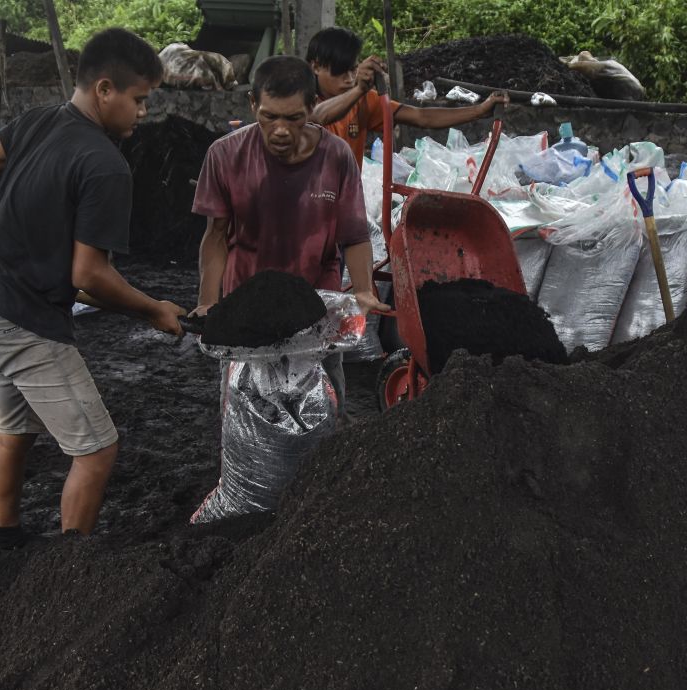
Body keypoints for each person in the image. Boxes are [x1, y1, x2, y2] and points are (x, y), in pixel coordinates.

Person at [0, 28, 185, 551]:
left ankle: (6, 538)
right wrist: (153, 310)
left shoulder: (38, 123)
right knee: (98, 450)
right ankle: (67, 577)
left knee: (13, 431)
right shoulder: (105, 164)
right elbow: (89, 278)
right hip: (26, 324)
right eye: (139, 100)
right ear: (105, 90)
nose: (143, 113)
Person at [191, 55, 389, 409]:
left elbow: (355, 235)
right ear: (253, 105)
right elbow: (216, 236)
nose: (280, 129)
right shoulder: (225, 156)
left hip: (315, 309)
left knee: (323, 407)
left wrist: (363, 289)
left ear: (313, 107)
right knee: (244, 409)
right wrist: (208, 302)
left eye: (293, 118)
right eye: (269, 116)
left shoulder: (336, 157)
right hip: (246, 310)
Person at [307, 26, 510, 165]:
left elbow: (422, 117)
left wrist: (480, 109)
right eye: (341, 71)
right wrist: (358, 89)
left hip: (345, 199)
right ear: (315, 66)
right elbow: (316, 117)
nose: (349, 79)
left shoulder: (362, 101)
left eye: (353, 70)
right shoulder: (297, 101)